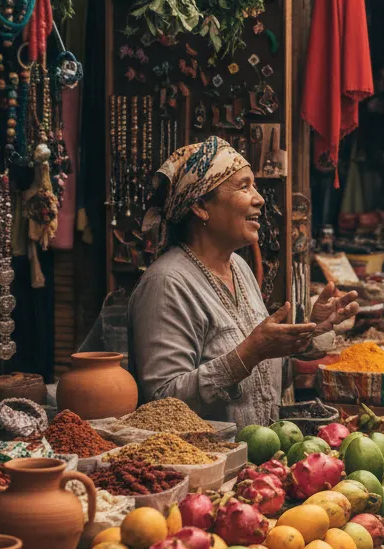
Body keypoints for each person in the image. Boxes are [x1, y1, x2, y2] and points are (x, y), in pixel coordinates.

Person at [129, 138, 359, 427]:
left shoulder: (239, 267)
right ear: (200, 205)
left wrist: (311, 332)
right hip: (207, 465)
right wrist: (248, 354)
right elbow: (162, 403)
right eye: (243, 186)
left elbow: (261, 377)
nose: (259, 198)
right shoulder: (166, 284)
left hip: (258, 463)